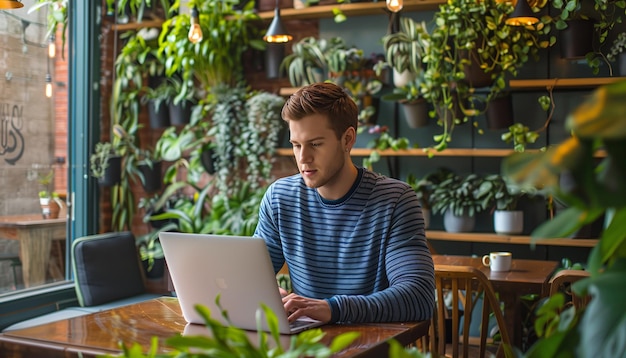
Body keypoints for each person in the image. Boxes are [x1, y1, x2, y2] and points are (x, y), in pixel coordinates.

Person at [254, 82, 435, 325]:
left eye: (315, 144)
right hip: (306, 347)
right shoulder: (280, 198)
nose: (303, 158)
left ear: (347, 139)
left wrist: (333, 309)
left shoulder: (395, 201)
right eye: (296, 145)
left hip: (371, 348)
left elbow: (419, 298)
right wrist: (268, 294)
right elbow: (251, 276)